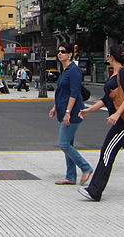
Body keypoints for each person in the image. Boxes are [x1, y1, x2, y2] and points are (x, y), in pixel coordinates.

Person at [78, 45, 124, 201]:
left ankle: (95, 190)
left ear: (111, 57)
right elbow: (107, 98)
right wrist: (89, 110)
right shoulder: (117, 74)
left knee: (107, 150)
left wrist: (117, 114)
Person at [49, 43, 92, 186]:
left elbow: (74, 93)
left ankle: (86, 168)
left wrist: (68, 113)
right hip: (62, 110)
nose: (60, 53)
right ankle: (70, 176)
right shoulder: (65, 70)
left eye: (63, 51)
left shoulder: (74, 70)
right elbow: (62, 92)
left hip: (73, 112)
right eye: (58, 51)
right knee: (69, 143)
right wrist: (55, 107)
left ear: (70, 54)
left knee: (64, 144)